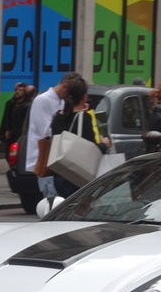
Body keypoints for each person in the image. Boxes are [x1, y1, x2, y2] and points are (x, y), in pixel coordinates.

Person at [49, 77, 111, 198]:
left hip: (59, 176)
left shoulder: (57, 117)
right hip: (77, 177)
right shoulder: (85, 118)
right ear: (84, 97)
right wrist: (104, 144)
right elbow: (91, 151)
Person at [26, 71, 82, 199]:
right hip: (46, 161)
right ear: (64, 86)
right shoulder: (42, 100)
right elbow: (45, 132)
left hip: (59, 161)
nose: (70, 97)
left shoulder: (62, 102)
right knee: (52, 201)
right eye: (69, 93)